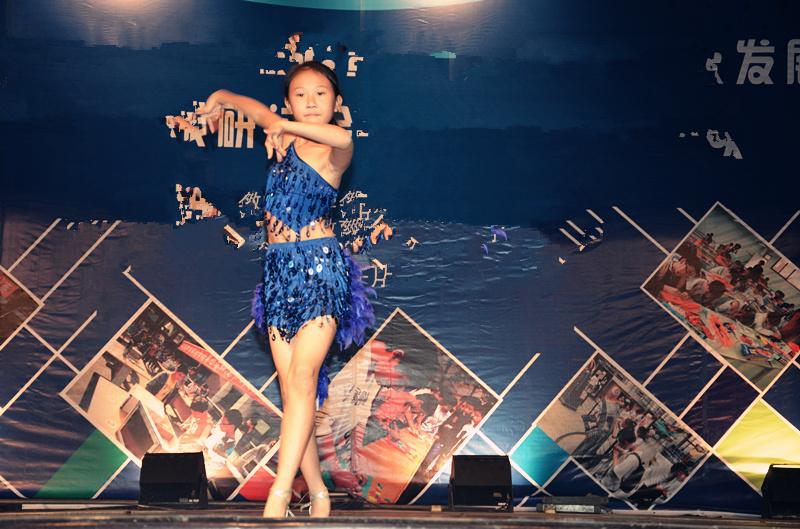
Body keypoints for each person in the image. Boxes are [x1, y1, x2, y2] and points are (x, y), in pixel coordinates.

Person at [177, 61, 375, 518]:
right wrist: (220, 98)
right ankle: (318, 492)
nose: (311, 101)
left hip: (321, 271)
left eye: (320, 93)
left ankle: (279, 495)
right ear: (288, 102)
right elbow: (251, 108)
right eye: (300, 94)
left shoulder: (333, 151)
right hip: (278, 275)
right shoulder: (283, 139)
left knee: (303, 379)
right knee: (293, 392)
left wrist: (281, 125)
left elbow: (343, 138)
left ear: (336, 102)